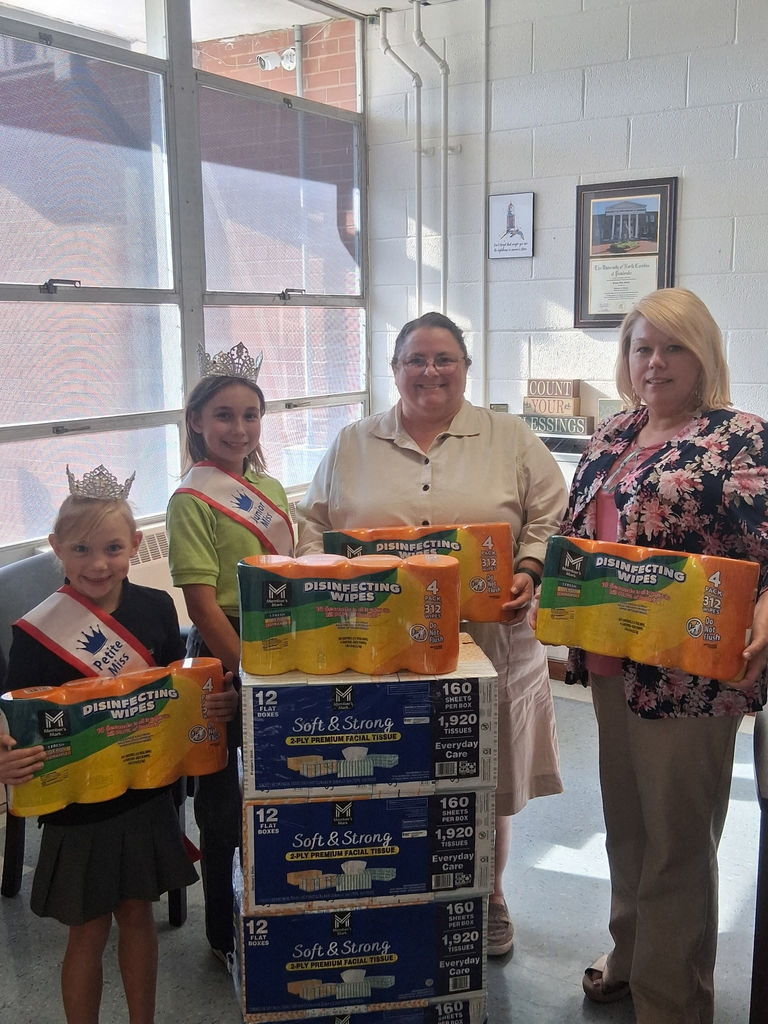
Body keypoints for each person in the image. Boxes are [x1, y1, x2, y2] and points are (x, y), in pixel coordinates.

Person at [296, 311, 567, 957]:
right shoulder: (352, 442)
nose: (430, 371)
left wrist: (529, 567)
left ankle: (491, 897)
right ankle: (398, 895)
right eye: (415, 359)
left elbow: (552, 515)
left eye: (444, 358)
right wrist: (331, 578)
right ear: (393, 370)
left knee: (484, 773)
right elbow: (310, 527)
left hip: (491, 641)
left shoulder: (510, 437)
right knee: (388, 767)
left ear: (466, 368)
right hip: (377, 649)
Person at [557, 288, 768, 1022]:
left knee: (677, 842)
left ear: (702, 353)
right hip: (612, 664)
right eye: (642, 347)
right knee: (627, 825)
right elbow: (575, 536)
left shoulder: (740, 438)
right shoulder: (613, 434)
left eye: (673, 347)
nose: (656, 363)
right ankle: (631, 952)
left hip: (692, 675)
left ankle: (670, 999)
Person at [0, 465, 199, 1024]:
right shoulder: (35, 632)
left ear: (136, 545)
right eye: (81, 548)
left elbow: (172, 695)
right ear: (56, 548)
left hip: (144, 795)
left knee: (137, 915)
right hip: (76, 807)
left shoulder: (158, 610)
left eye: (113, 547)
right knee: (86, 932)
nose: (98, 564)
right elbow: (11, 714)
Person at [166, 343, 293, 964]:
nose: (237, 428)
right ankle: (222, 930)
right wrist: (247, 667)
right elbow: (200, 603)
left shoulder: (269, 487)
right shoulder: (190, 500)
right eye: (223, 415)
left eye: (249, 415)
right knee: (219, 799)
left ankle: (278, 907)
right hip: (222, 652)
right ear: (196, 422)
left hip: (274, 640)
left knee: (278, 780)